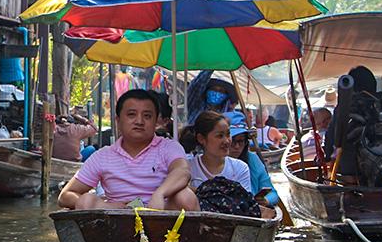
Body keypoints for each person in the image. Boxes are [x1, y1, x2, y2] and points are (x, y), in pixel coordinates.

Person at [58, 89, 197, 211]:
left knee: (186, 197)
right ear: (118, 121)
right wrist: (106, 206)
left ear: (156, 122)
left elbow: (182, 172)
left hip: (163, 217)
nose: (139, 121)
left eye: (147, 116)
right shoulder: (102, 156)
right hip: (116, 221)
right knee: (85, 200)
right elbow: (65, 196)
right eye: (131, 114)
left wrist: (160, 194)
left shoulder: (169, 147)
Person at [181, 111, 265, 218]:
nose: (227, 141)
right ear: (201, 139)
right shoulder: (188, 168)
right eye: (220, 136)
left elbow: (244, 207)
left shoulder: (240, 168)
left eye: (228, 134)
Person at [224, 111, 280, 216]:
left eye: (241, 141)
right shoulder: (215, 159)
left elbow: (273, 193)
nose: (236, 147)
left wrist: (266, 200)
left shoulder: (252, 160)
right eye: (233, 141)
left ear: (246, 142)